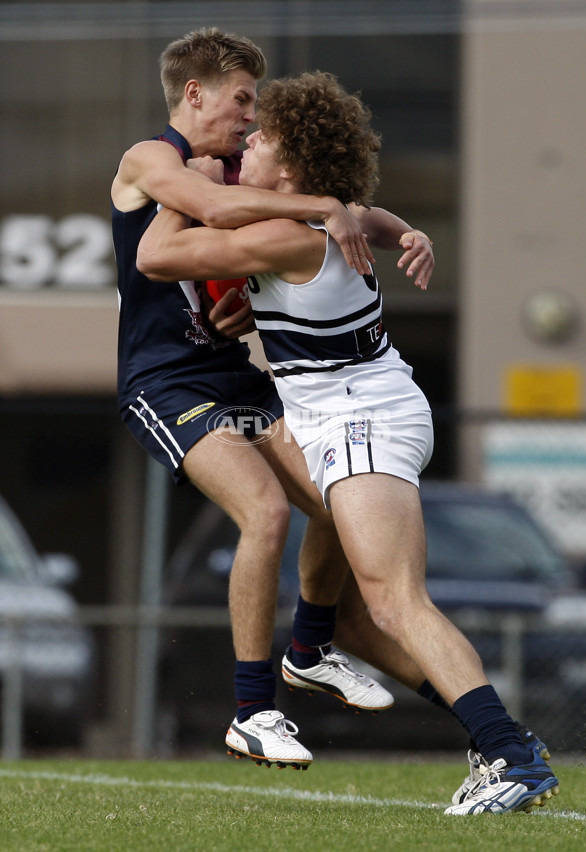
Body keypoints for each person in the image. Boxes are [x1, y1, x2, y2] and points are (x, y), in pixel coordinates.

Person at [137, 70, 560, 815]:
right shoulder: (331, 219)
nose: (250, 143)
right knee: (364, 589)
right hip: (357, 412)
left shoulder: (278, 232)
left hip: (361, 419)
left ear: (294, 169)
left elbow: (155, 258)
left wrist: (185, 182)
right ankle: (312, 650)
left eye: (263, 138)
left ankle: (511, 755)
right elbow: (370, 214)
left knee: (396, 601)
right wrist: (404, 230)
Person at [111, 28, 437, 771]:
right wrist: (329, 205)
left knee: (330, 502)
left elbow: (345, 218)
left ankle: (310, 647)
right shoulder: (153, 159)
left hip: (232, 369)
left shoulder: (241, 167)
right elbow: (213, 213)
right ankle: (253, 712)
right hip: (166, 380)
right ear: (195, 94)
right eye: (241, 99)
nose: (250, 118)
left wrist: (404, 229)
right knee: (262, 512)